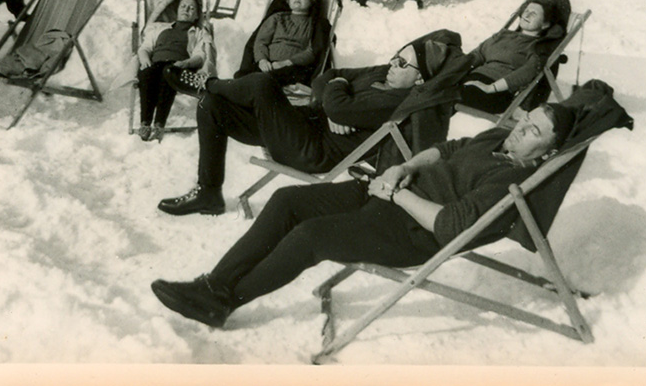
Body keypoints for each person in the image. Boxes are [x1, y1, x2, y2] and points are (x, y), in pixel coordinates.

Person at [150, 101, 575, 329]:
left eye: (534, 132)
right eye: (526, 120)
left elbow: (451, 226)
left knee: (310, 236)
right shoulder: (497, 139)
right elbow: (447, 150)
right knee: (286, 201)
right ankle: (216, 284)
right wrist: (405, 168)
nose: (520, 130)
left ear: (550, 151)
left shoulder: (510, 180)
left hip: (409, 229)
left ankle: (224, 305)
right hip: (392, 193)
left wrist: (396, 196)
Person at [156, 30, 463, 216]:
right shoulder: (382, 74)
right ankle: (209, 193)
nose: (393, 64)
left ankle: (206, 83)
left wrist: (336, 102)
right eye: (396, 56)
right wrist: (334, 101)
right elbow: (328, 77)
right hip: (299, 126)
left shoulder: (397, 100)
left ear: (420, 77)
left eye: (403, 63)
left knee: (263, 84)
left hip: (309, 150)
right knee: (212, 106)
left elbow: (338, 102)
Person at [459, 0, 566, 114]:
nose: (527, 15)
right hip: (472, 79)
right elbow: (478, 54)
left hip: (495, 92)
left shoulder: (538, 47)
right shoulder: (504, 35)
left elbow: (526, 73)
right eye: (526, 11)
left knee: (443, 91)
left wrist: (491, 88)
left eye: (534, 14)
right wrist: (455, 71)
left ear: (545, 24)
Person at [136, 0, 216, 143]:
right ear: (177, 10)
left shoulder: (198, 32)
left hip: (178, 67)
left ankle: (159, 124)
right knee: (146, 73)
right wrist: (145, 58)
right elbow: (145, 48)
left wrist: (185, 63)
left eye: (191, 8)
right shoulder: (159, 29)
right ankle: (145, 123)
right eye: (183, 6)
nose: (187, 10)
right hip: (155, 64)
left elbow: (200, 56)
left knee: (168, 73)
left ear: (196, 15)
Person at [236, 0, 326, 86]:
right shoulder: (277, 18)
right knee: (243, 76)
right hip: (267, 64)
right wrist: (262, 60)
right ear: (288, 0)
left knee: (263, 80)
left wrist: (286, 62)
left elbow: (312, 51)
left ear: (311, 1)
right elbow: (261, 41)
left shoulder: (314, 24)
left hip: (293, 67)